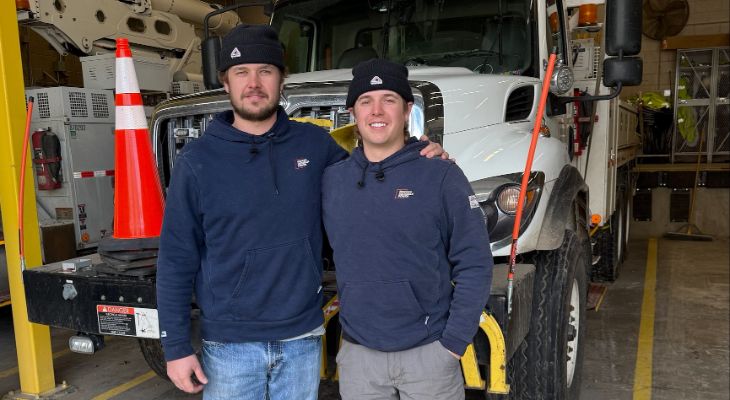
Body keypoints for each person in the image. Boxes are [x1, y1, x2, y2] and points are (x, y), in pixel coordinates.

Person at [156, 25, 446, 400]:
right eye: (242, 72)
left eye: (266, 71)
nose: (254, 83)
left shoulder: (315, 144)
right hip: (230, 345)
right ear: (226, 83)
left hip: (302, 339)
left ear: (282, 80)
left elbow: (373, 175)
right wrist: (175, 346)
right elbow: (176, 257)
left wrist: (420, 158)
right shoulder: (197, 161)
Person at [322, 59, 494, 400]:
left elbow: (475, 262)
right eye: (366, 101)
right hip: (359, 358)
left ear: (407, 110)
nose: (377, 111)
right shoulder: (332, 181)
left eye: (389, 99)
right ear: (353, 112)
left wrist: (453, 343)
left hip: (429, 355)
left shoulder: (440, 175)